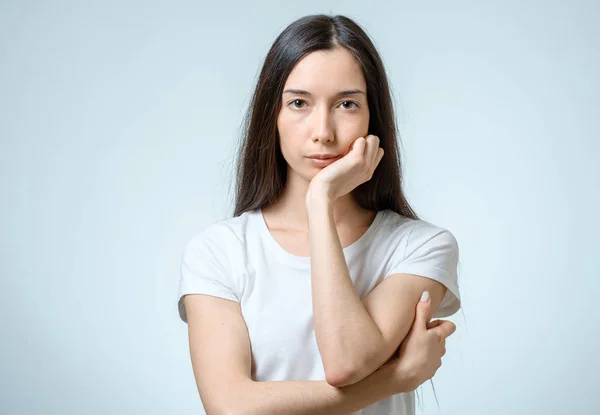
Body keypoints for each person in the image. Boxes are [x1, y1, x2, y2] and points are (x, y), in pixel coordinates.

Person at [177, 14, 461, 415]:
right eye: (299, 103)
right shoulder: (219, 251)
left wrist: (320, 201)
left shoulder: (420, 246)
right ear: (270, 116)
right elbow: (232, 408)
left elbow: (347, 361)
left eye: (347, 104)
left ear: (372, 117)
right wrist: (396, 378)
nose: (323, 131)